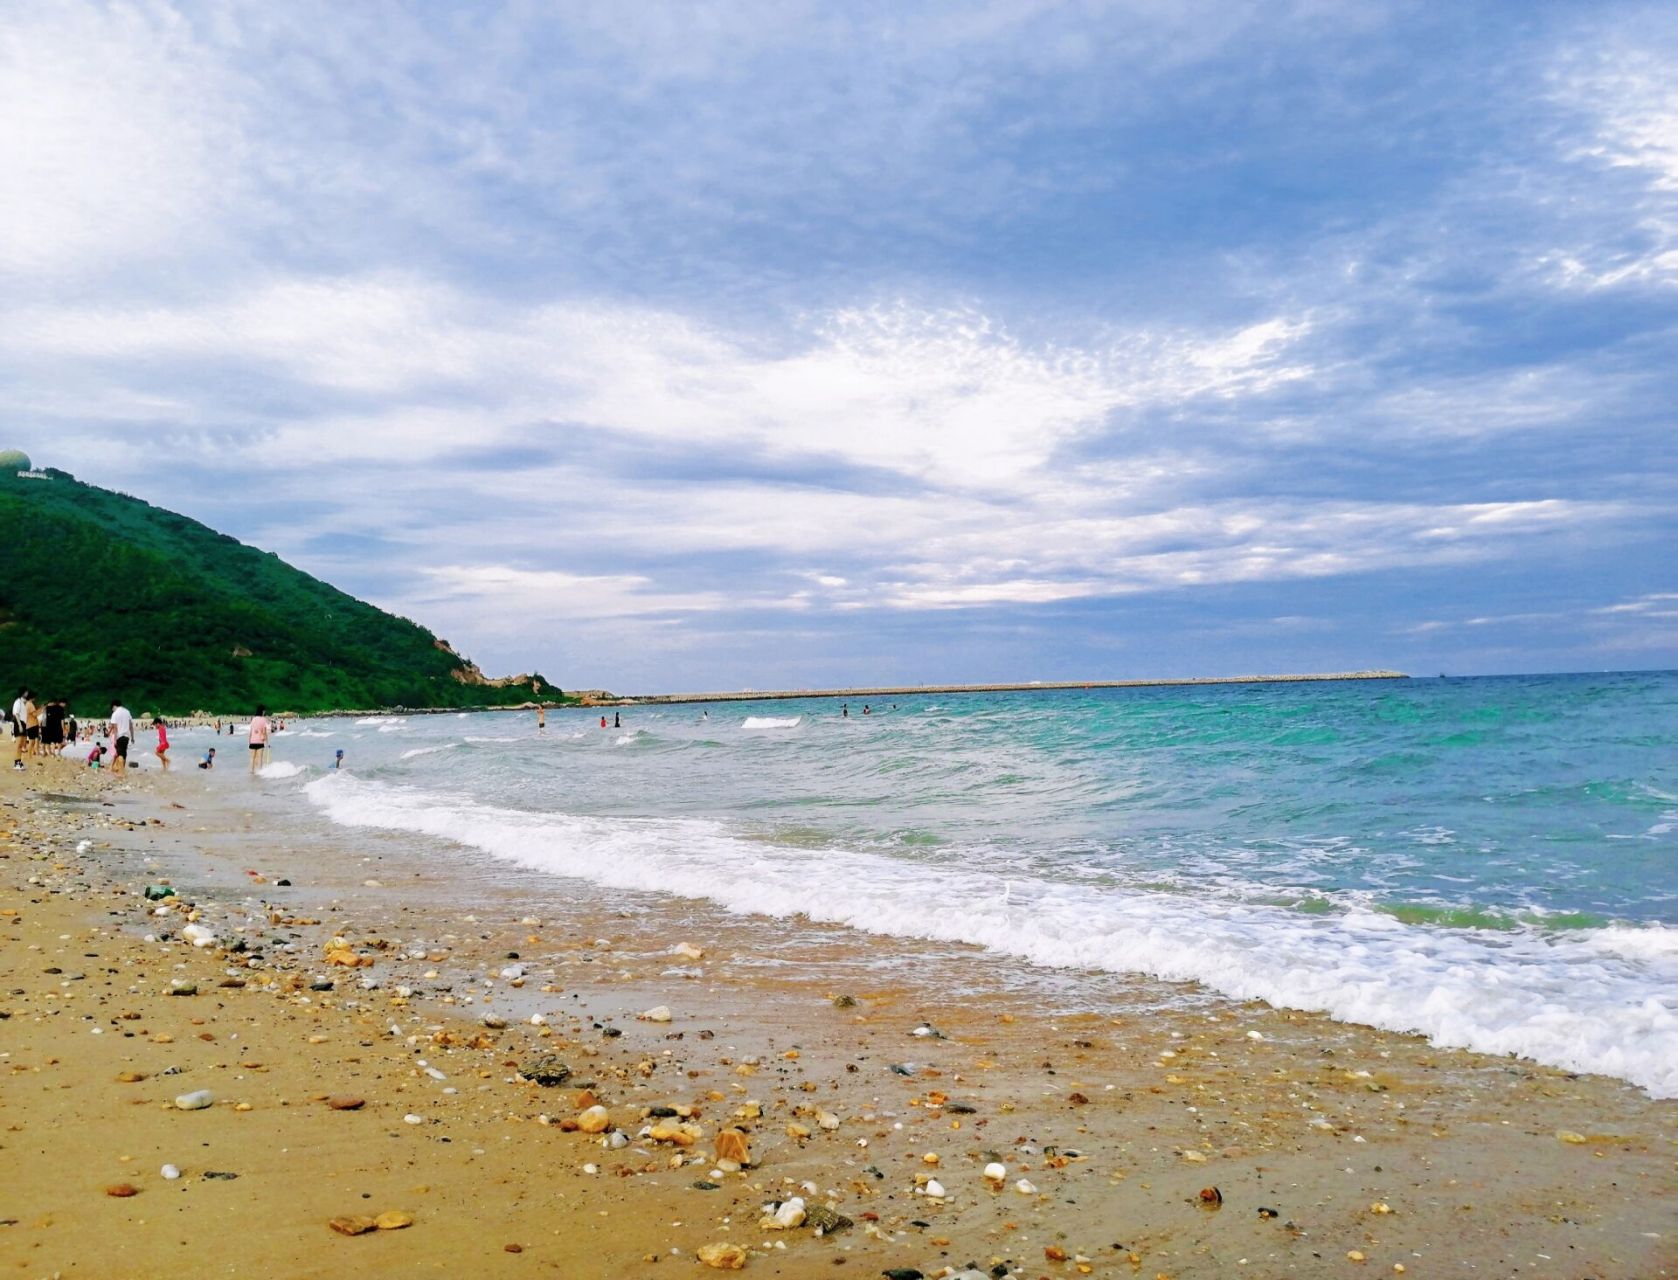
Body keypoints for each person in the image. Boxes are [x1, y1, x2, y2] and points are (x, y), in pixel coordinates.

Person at [109, 700, 133, 776]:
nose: (112, 710)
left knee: (120, 755)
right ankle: (122, 771)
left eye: (112, 708)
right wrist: (132, 737)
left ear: (114, 706)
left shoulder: (115, 714)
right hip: (126, 737)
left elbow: (115, 728)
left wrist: (115, 739)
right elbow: (131, 726)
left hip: (119, 737)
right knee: (124, 753)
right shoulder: (127, 712)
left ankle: (121, 772)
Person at [248, 705, 271, 773]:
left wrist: (249, 742)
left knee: (252, 758)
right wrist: (267, 743)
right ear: (262, 711)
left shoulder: (253, 719)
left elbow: (250, 732)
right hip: (260, 742)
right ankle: (260, 772)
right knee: (260, 758)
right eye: (264, 711)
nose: (264, 712)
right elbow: (264, 732)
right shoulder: (263, 719)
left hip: (252, 741)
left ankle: (252, 772)